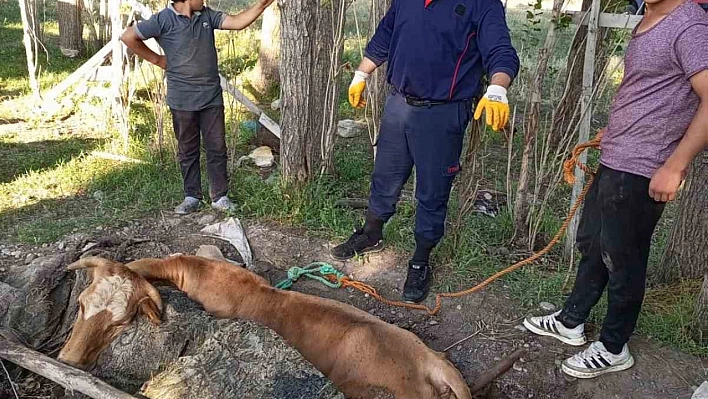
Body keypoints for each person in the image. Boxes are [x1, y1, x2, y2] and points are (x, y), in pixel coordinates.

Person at [523, 0, 708, 379]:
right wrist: (617, 130)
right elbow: (651, 91)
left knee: (623, 259)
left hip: (644, 168)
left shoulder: (688, 22)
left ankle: (612, 346)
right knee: (593, 242)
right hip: (617, 156)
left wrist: (675, 165)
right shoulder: (651, 16)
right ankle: (572, 320)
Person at [330, 0, 520, 303]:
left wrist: (498, 88)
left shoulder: (482, 3)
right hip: (398, 105)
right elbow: (386, 33)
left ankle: (420, 260)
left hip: (443, 113)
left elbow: (501, 51)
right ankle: (371, 232)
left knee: (432, 192)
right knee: (385, 176)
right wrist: (362, 73)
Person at [120, 0, 274, 215]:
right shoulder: (163, 20)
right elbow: (128, 36)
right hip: (182, 100)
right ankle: (192, 195)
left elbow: (238, 22)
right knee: (187, 149)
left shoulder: (207, 16)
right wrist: (157, 59)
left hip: (211, 97)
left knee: (217, 148)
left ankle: (220, 197)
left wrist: (262, 5)